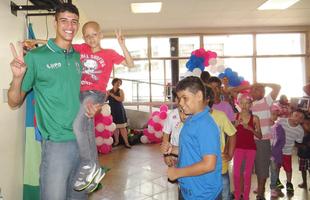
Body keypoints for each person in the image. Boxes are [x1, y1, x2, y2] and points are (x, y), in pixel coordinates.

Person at [7, 3, 98, 199]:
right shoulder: (36, 57)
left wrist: (96, 106)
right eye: (64, 20)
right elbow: (14, 101)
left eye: (74, 22)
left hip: (86, 142)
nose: (69, 26)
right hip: (57, 144)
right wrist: (16, 78)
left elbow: (92, 92)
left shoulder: (82, 57)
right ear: (55, 22)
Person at [71, 21, 134, 191]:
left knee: (77, 126)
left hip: (95, 93)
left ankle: (87, 164)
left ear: (100, 35)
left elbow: (130, 64)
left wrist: (122, 45)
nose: (91, 38)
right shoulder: (81, 49)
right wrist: (39, 44)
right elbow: (61, 44)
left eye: (94, 34)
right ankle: (95, 168)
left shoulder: (109, 53)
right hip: (80, 94)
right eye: (87, 35)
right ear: (84, 37)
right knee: (87, 131)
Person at [167, 76, 222, 200]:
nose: (180, 103)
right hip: (189, 189)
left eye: (185, 98)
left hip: (203, 194)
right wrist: (173, 149)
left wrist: (177, 172)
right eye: (180, 98)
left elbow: (209, 164)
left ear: (199, 96)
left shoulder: (205, 125)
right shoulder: (191, 119)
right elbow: (192, 150)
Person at [249, 83, 280, 200]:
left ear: (263, 92)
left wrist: (264, 84)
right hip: (248, 140)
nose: (254, 91)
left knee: (262, 167)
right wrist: (251, 86)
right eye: (253, 89)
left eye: (258, 89)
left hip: (262, 140)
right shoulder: (247, 103)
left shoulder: (266, 101)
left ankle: (261, 193)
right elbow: (233, 91)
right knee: (250, 168)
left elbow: (277, 87)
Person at [206, 86, 236, 200]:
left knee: (225, 195)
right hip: (203, 167)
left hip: (220, 166)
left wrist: (230, 154)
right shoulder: (194, 118)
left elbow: (232, 134)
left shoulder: (220, 115)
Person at [233, 95, 262, 200]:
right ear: (239, 104)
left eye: (247, 103)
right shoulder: (235, 116)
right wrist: (234, 126)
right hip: (238, 147)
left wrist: (251, 129)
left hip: (251, 148)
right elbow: (230, 133)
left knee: (247, 174)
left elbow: (260, 136)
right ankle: (237, 196)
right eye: (242, 103)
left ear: (251, 105)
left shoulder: (255, 118)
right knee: (236, 173)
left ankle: (246, 197)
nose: (244, 105)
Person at [276, 110, 305, 194]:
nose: (297, 118)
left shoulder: (300, 131)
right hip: (277, 151)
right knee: (276, 167)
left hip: (287, 152)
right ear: (290, 115)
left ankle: (289, 184)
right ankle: (277, 182)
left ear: (302, 121)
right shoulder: (281, 121)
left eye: (301, 118)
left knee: (288, 169)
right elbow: (273, 129)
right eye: (296, 115)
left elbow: (298, 142)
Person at [107, 78, 132, 148]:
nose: (118, 84)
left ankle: (126, 143)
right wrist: (106, 94)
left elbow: (121, 99)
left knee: (122, 127)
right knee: (115, 127)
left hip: (119, 110)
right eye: (117, 82)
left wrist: (112, 95)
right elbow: (105, 100)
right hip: (112, 110)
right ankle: (116, 141)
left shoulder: (121, 91)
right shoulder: (109, 91)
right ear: (113, 83)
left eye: (120, 83)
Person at [269, 105, 286, 198]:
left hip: (274, 153)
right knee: (262, 171)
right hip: (264, 151)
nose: (273, 116)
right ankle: (261, 185)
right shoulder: (263, 125)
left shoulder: (278, 127)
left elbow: (282, 141)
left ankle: (273, 188)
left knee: (274, 171)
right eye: (271, 114)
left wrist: (275, 151)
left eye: (275, 114)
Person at [296, 113, 310, 190]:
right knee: (303, 169)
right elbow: (295, 142)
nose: (307, 125)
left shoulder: (307, 130)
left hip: (309, 154)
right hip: (301, 154)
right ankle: (304, 183)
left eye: (308, 123)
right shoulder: (298, 129)